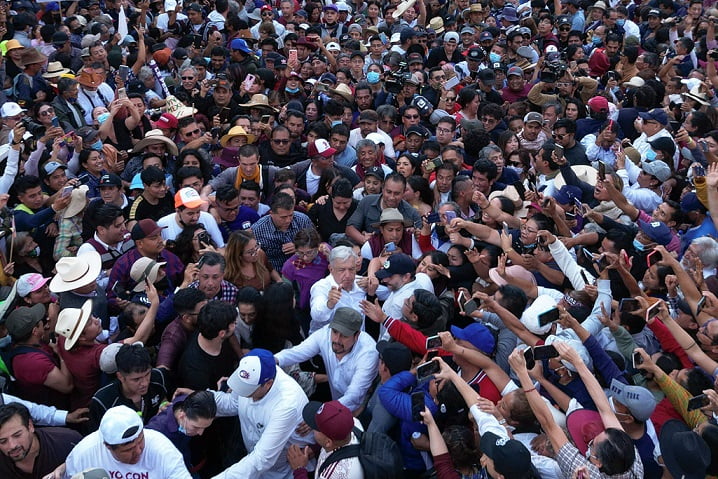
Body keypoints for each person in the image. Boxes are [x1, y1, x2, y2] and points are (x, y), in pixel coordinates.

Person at [207, 348, 313, 478]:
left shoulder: (286, 404)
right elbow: (231, 403)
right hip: (251, 460)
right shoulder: (251, 374)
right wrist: (196, 400)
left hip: (279, 474)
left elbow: (261, 459)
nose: (243, 393)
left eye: (249, 389)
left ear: (268, 384)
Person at [275, 308, 378, 413]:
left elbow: (354, 395)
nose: (337, 340)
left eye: (344, 335)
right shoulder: (325, 334)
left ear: (357, 336)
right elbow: (297, 352)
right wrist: (273, 360)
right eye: (335, 331)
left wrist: (321, 413)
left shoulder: (368, 353)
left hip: (358, 411)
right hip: (333, 405)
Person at [61, 405, 191, 479]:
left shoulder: (162, 448)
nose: (139, 451)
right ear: (107, 446)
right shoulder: (85, 452)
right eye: (129, 449)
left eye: (141, 441)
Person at [89, 344, 169, 431]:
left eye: (147, 374)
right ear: (120, 377)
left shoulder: (159, 377)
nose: (145, 383)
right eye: (136, 379)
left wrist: (164, 405)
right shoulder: (103, 402)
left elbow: (169, 398)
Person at [0, 403, 82, 479]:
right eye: (3, 441)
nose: (12, 445)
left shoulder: (68, 442)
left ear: (30, 426)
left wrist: (68, 465)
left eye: (17, 435)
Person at [287, 400, 363, 479]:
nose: (312, 428)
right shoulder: (353, 423)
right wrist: (314, 448)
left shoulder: (333, 474)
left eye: (315, 427)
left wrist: (299, 469)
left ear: (328, 442)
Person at [309, 246, 367, 334]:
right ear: (331, 269)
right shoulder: (321, 287)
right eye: (342, 270)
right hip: (327, 343)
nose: (347, 275)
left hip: (358, 342)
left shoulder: (362, 283)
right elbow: (316, 316)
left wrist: (373, 285)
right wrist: (329, 304)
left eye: (351, 269)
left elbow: (386, 292)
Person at [251, 192, 314, 271]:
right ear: (271, 214)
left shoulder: (302, 220)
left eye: (291, 215)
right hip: (275, 272)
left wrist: (299, 246)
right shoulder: (258, 230)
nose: (288, 220)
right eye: (283, 217)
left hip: (303, 267)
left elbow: (316, 241)